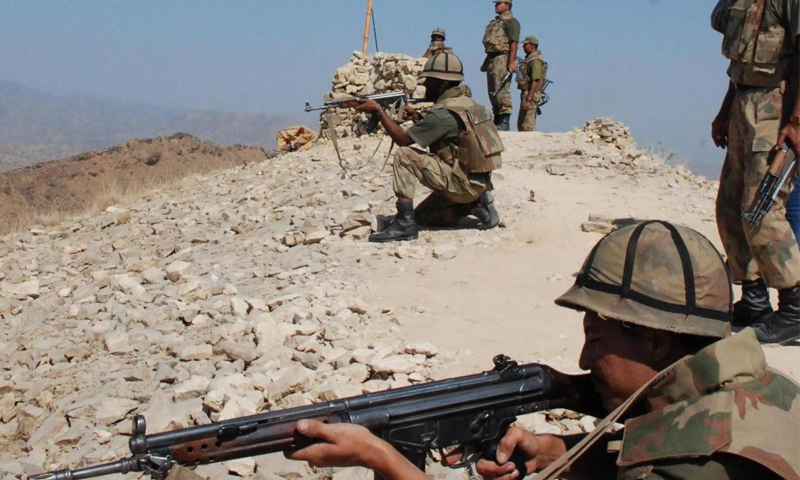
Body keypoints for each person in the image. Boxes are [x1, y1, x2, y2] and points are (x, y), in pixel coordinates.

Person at [283, 221, 800, 479]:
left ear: (657, 340)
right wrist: (561, 454)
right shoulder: (768, 392)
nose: (583, 360)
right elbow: (659, 437)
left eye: (596, 338)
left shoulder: (692, 464)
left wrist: (384, 459)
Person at [710, 0, 800, 345]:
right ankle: (754, 300)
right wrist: (725, 112)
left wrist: (796, 121)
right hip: (745, 105)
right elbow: (741, 65)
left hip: (777, 110)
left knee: (761, 209)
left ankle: (794, 309)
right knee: (730, 208)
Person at [344, 52, 502, 243]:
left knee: (405, 155)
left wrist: (379, 112)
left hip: (462, 184)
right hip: (478, 182)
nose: (425, 85)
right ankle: (473, 204)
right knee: (423, 217)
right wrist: (418, 119)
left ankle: (404, 225)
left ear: (442, 83)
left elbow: (403, 140)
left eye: (430, 81)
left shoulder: (443, 113)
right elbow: (451, 137)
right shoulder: (470, 105)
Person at [482, 0, 520, 131]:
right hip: (492, 57)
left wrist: (511, 62)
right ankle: (497, 117)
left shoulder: (511, 22)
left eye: (499, 3)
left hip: (502, 57)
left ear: (507, 6)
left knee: (501, 88)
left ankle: (505, 120)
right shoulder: (496, 22)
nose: (496, 6)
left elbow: (514, 43)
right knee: (492, 89)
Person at [516, 36, 547, 132]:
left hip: (531, 93)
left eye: (525, 45)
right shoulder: (529, 59)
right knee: (522, 124)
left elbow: (535, 80)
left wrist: (529, 100)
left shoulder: (535, 61)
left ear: (532, 46)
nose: (523, 47)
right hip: (527, 93)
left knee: (527, 126)